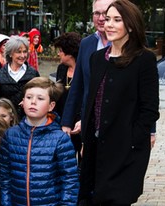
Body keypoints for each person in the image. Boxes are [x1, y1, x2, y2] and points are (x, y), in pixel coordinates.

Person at [79, 0, 160, 204]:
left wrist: (134, 141)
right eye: (107, 19)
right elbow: (91, 100)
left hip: (126, 151)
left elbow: (149, 109)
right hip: (95, 147)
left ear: (131, 25)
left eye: (117, 20)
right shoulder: (97, 58)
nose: (109, 24)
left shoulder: (144, 60)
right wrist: (85, 141)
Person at [0, 77, 79, 205]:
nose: (33, 102)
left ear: (51, 106)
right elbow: (4, 176)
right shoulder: (11, 135)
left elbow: (70, 180)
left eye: (40, 99)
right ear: (22, 102)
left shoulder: (60, 139)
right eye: (29, 97)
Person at [61, 0, 114, 139]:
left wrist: (150, 130)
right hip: (89, 121)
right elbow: (77, 86)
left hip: (117, 122)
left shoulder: (127, 44)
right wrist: (66, 122)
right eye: (97, 13)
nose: (101, 18)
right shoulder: (86, 44)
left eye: (106, 13)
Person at [0, 35, 40, 119]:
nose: (23, 55)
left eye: (25, 51)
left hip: (28, 120)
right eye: (19, 52)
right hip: (5, 121)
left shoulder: (33, 73)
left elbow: (40, 95)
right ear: (10, 53)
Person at [54, 32, 83, 158]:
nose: (58, 53)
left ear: (69, 53)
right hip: (63, 120)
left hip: (80, 122)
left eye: (60, 50)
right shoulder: (61, 68)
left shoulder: (85, 68)